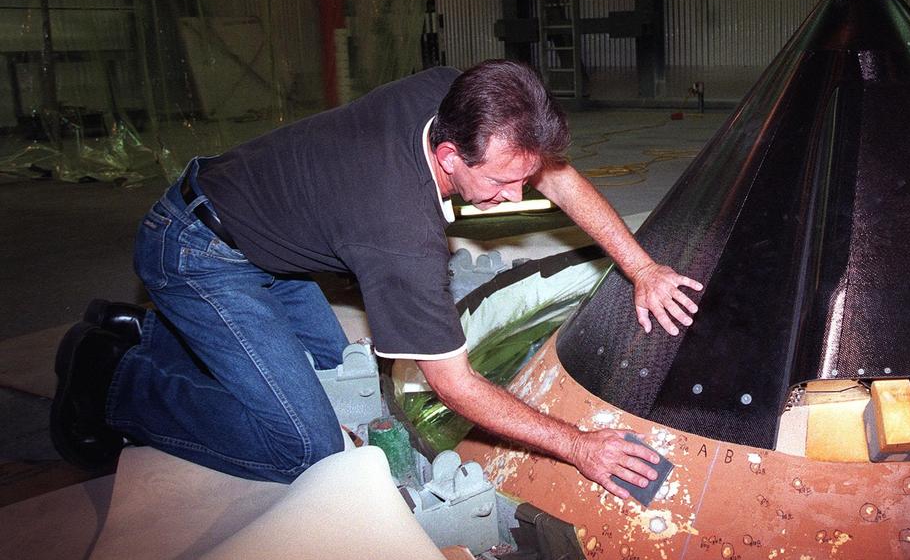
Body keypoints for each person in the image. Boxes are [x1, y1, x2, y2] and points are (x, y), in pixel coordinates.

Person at [51, 61, 702, 499]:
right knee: (303, 448)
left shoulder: (460, 99)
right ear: (450, 157)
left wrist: (641, 266)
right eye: (502, 184)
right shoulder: (400, 233)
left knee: (347, 387)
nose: (515, 197)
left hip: (263, 232)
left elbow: (554, 175)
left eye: (520, 181)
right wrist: (578, 446)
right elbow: (453, 383)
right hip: (200, 253)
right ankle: (112, 376)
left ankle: (151, 332)